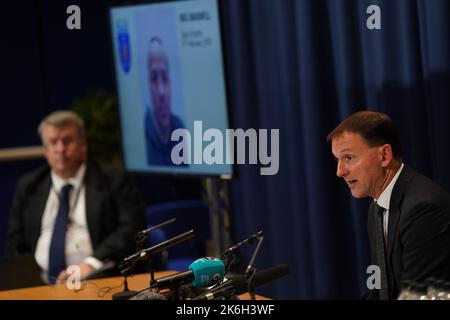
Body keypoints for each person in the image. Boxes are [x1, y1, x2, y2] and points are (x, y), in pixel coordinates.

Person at [5, 111, 146, 283]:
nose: (60, 149)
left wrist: (91, 264)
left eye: (67, 141)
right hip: (39, 284)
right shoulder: (28, 186)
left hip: (97, 279)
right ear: (45, 151)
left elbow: (131, 228)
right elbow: (15, 242)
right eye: (53, 142)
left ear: (83, 145)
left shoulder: (113, 179)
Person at [328, 111, 450, 300]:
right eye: (337, 160)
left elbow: (417, 296)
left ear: (384, 155)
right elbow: (379, 291)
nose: (340, 171)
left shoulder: (424, 210)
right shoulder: (376, 208)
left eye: (349, 158)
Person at [144, 36, 187, 166]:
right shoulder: (142, 135)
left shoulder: (180, 129)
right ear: (148, 85)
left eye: (164, 77)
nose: (162, 92)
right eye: (154, 78)